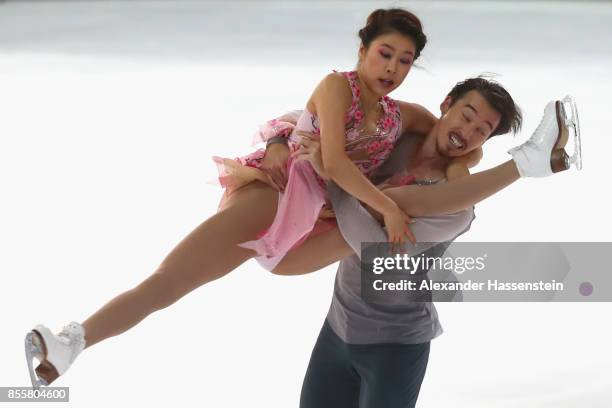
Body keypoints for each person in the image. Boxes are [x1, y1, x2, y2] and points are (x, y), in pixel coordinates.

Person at [24, 9, 581, 391]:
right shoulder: (337, 86)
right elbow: (331, 159)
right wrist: (283, 147)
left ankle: (534, 162)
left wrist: (462, 156)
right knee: (170, 283)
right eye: (384, 54)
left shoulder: (405, 117)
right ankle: (72, 342)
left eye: (404, 61)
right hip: (279, 199)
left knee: (408, 209)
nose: (392, 69)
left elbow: (456, 155)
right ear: (362, 49)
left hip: (317, 234)